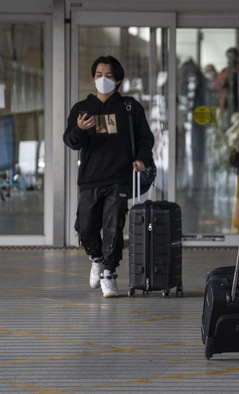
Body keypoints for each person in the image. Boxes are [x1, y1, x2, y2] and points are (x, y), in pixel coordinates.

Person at [64, 55, 155, 298]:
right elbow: (70, 142)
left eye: (109, 75)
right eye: (98, 75)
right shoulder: (81, 109)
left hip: (119, 177)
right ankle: (96, 258)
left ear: (119, 80)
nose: (103, 79)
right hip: (90, 178)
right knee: (86, 228)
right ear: (93, 78)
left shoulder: (129, 107)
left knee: (114, 227)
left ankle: (109, 273)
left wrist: (141, 159)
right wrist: (79, 130)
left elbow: (146, 138)